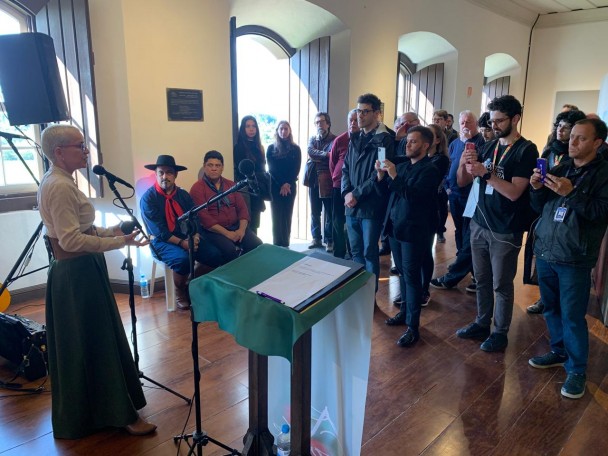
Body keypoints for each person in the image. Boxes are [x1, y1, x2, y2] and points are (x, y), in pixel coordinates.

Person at [37, 124, 156, 438]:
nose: (86, 151)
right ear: (59, 152)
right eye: (80, 145)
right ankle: (118, 415)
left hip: (82, 273)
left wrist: (115, 232)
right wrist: (122, 243)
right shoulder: (58, 186)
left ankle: (107, 410)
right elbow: (71, 241)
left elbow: (83, 232)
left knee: (94, 341)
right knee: (96, 343)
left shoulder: (63, 182)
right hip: (76, 277)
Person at [528, 118, 608, 399]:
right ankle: (559, 351)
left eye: (581, 138)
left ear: (598, 143)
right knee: (551, 309)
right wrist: (537, 188)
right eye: (572, 136)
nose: (572, 142)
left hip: (575, 256)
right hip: (548, 251)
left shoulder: (604, 174)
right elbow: (539, 208)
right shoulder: (561, 167)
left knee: (573, 316)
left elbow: (601, 213)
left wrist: (571, 193)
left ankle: (577, 370)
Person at [456, 95, 539, 352]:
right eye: (491, 120)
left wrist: (486, 173)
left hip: (505, 229)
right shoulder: (490, 146)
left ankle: (500, 332)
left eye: (500, 120)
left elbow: (515, 192)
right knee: (481, 279)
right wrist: (464, 164)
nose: (494, 126)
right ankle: (482, 322)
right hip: (480, 223)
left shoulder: (527, 150)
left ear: (515, 118)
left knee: (501, 284)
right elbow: (462, 182)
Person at [378, 126, 440, 347]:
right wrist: (381, 175)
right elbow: (392, 191)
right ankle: (404, 312)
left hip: (414, 230)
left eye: (413, 142)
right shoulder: (403, 166)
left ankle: (413, 327)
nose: (408, 145)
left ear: (425, 145)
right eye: (407, 141)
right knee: (403, 274)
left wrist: (393, 175)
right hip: (396, 227)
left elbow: (413, 196)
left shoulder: (430, 170)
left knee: (412, 277)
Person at [140, 155, 222, 310]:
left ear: (175, 175)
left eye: (169, 172)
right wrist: (183, 243)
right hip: (161, 241)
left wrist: (195, 236)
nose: (165, 177)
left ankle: (190, 283)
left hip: (187, 237)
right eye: (161, 173)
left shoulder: (183, 195)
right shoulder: (148, 199)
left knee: (215, 255)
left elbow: (195, 217)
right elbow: (159, 231)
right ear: (156, 174)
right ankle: (179, 291)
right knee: (183, 260)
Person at [526, 109, 586, 314]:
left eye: (566, 127)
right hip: (546, 211)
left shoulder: (583, 161)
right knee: (543, 263)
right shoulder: (550, 149)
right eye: (558, 126)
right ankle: (545, 298)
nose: (561, 130)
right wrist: (536, 186)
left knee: (570, 305)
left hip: (570, 221)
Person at [342, 93, 394, 289]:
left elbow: (378, 174)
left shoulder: (385, 139)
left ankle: (369, 296)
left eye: (365, 111)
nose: (360, 116)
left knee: (369, 252)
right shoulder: (355, 138)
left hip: (371, 205)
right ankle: (358, 293)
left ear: (377, 114)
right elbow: (346, 168)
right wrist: (347, 193)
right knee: (355, 252)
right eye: (358, 111)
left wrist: (356, 194)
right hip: (351, 205)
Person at [190, 150, 262, 264]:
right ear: (204, 167)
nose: (214, 168)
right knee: (229, 251)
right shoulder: (197, 188)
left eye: (217, 165)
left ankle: (249, 272)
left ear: (222, 168)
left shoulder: (231, 185)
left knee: (257, 245)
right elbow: (205, 219)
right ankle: (233, 277)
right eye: (210, 165)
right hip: (213, 231)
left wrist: (241, 230)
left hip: (236, 226)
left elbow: (243, 210)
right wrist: (227, 234)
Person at [445, 111, 486, 252]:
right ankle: (459, 255)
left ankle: (466, 261)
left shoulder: (482, 142)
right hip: (454, 192)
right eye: (462, 123)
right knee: (458, 227)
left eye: (468, 122)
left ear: (475, 124)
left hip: (470, 193)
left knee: (468, 229)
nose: (465, 125)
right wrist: (447, 185)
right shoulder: (455, 143)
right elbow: (449, 165)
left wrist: (467, 142)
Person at [304, 112, 336, 251]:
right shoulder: (312, 139)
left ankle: (329, 240)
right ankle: (316, 238)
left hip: (327, 180)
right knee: (314, 212)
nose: (319, 125)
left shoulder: (334, 140)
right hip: (313, 181)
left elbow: (333, 157)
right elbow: (310, 152)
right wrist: (325, 154)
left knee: (329, 212)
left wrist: (321, 156)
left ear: (328, 123)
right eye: (317, 122)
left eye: (322, 122)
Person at [266, 120, 301, 247]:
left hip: (290, 186)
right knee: (276, 215)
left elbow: (296, 169)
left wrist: (287, 184)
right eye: (281, 129)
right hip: (275, 187)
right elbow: (272, 169)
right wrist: (281, 183)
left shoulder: (296, 149)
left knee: (287, 215)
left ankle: (285, 243)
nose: (283, 131)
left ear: (290, 131)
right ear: (277, 131)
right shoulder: (271, 149)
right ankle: (277, 244)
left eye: (286, 128)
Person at [329, 109, 358, 259]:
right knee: (337, 221)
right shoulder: (340, 140)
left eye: (356, 120)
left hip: (355, 189)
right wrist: (336, 179)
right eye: (350, 120)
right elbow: (332, 163)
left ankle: (353, 253)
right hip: (338, 186)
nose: (353, 123)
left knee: (352, 222)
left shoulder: (364, 139)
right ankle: (339, 253)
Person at [233, 115, 266, 233]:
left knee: (256, 223)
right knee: (246, 222)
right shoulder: (238, 148)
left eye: (253, 126)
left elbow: (262, 169)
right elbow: (241, 171)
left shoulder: (259, 147)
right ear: (243, 129)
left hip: (257, 188)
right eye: (248, 126)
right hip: (245, 189)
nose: (251, 129)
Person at [428, 124, 450, 245]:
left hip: (435, 201)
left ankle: (440, 232)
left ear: (437, 140)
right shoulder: (421, 157)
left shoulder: (441, 159)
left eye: (429, 135)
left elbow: (428, 174)